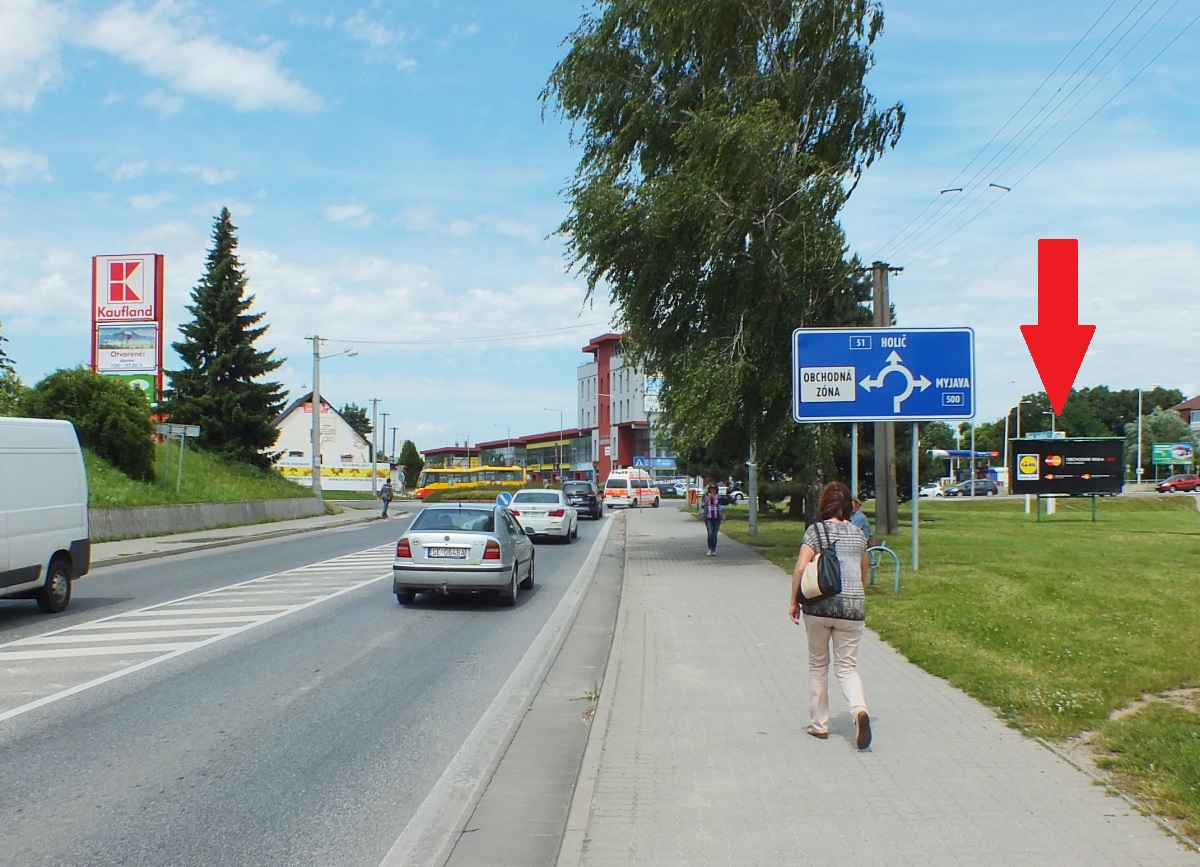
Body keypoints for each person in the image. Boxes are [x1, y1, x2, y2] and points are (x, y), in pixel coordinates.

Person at [789, 481, 873, 749]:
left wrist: (794, 602)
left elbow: (801, 570)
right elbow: (863, 575)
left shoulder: (815, 532)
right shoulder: (859, 535)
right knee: (847, 667)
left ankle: (819, 725)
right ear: (849, 506)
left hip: (818, 605)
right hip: (852, 609)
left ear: (823, 504)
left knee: (818, 665)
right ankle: (859, 710)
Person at [699, 483, 724, 556]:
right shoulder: (706, 496)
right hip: (708, 517)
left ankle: (713, 549)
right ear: (709, 489)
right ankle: (710, 548)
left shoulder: (719, 497)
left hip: (717, 517)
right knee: (710, 533)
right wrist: (707, 500)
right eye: (711, 488)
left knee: (715, 534)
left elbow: (722, 506)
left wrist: (723, 514)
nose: (713, 490)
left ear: (717, 489)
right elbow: (703, 505)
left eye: (715, 488)